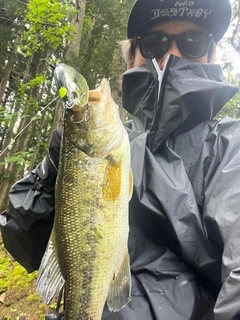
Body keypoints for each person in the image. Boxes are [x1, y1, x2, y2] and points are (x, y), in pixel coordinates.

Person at [1, 0, 240, 319]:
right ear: (131, 58)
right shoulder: (110, 143)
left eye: (193, 42)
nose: (172, 55)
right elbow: (22, 239)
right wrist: (54, 171)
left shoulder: (232, 148)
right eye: (155, 43)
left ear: (211, 55)